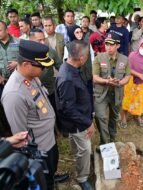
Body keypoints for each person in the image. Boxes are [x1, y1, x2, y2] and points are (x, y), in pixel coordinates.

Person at [1, 39, 58, 190]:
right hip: (39, 153)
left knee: (51, 177)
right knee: (44, 183)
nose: (44, 70)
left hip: (49, 142)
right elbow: (19, 135)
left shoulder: (31, 77)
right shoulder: (14, 94)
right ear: (26, 65)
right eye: (41, 66)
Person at [55, 40, 95, 190]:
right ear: (82, 58)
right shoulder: (67, 78)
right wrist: (88, 122)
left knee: (79, 148)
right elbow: (68, 109)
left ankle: (78, 161)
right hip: (77, 123)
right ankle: (82, 177)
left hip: (80, 118)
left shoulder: (71, 68)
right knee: (85, 149)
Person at [93, 32, 130, 145]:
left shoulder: (125, 59)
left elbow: (127, 77)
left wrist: (119, 83)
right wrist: (106, 81)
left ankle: (112, 139)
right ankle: (105, 143)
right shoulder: (99, 58)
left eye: (111, 44)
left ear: (117, 45)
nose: (108, 47)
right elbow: (95, 77)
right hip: (101, 94)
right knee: (100, 117)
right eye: (106, 44)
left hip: (116, 94)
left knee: (114, 119)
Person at [121, 39, 143, 127]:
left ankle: (137, 115)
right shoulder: (132, 55)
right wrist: (139, 75)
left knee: (140, 99)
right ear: (139, 46)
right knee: (128, 98)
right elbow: (128, 69)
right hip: (131, 81)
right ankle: (124, 117)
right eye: (142, 46)